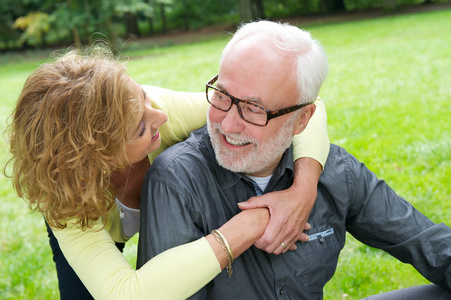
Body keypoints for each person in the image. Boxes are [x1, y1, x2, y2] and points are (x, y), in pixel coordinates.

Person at [137, 20, 451, 299]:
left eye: (254, 109)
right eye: (222, 96)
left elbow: (429, 244)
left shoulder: (336, 172)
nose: (228, 125)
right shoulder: (176, 180)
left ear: (302, 120)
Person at [6, 44, 330, 299]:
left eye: (144, 97)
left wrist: (302, 190)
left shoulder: (157, 109)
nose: (158, 117)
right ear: (99, 156)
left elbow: (305, 107)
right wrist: (252, 222)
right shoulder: (67, 202)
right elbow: (128, 294)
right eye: (140, 128)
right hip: (89, 211)